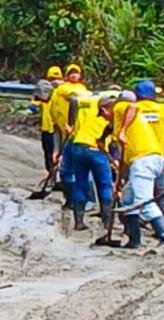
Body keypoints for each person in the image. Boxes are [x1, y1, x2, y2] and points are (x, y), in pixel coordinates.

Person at [99, 94, 164, 248]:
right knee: (127, 200)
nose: (105, 118)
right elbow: (125, 161)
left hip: (144, 159)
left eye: (103, 114)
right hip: (142, 161)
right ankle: (134, 240)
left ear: (106, 109)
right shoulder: (118, 125)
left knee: (143, 202)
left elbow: (133, 106)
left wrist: (123, 131)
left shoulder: (119, 107)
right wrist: (119, 183)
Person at [134, 80, 164, 230]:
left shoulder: (132, 109)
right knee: (162, 195)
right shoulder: (163, 109)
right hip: (159, 157)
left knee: (139, 194)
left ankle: (140, 224)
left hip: (139, 157)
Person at [69, 91, 115, 231]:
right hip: (96, 150)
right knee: (105, 185)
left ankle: (78, 221)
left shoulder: (90, 113)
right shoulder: (111, 119)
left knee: (80, 184)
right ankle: (107, 222)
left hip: (78, 146)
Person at [51, 64, 90, 209]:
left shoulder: (83, 90)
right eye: (71, 73)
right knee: (67, 168)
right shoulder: (62, 90)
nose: (74, 75)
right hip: (66, 131)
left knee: (75, 168)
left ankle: (77, 199)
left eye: (76, 73)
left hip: (79, 133)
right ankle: (71, 198)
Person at [29, 66, 64, 178]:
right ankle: (52, 174)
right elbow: (33, 105)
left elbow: (32, 107)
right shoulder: (44, 91)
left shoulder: (63, 92)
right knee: (50, 153)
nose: (54, 82)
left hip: (57, 128)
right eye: (52, 79)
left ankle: (56, 174)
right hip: (49, 127)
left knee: (54, 153)